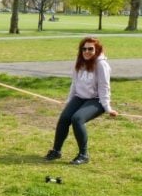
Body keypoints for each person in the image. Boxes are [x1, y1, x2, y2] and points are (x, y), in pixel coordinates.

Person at [44, 37, 118, 165]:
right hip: (80, 97)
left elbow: (104, 87)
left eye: (90, 49)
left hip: (96, 100)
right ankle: (56, 151)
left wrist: (107, 108)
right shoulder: (79, 62)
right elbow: (75, 83)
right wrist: (69, 100)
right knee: (64, 118)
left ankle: (83, 155)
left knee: (77, 119)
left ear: (97, 50)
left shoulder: (101, 65)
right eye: (84, 49)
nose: (87, 51)